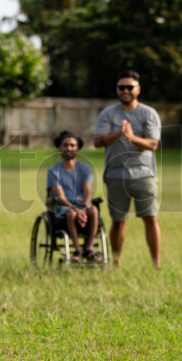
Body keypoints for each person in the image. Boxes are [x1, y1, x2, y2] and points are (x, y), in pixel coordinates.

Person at [93, 70, 162, 268]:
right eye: (121, 87)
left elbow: (153, 144)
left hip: (144, 175)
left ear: (138, 89)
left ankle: (156, 263)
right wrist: (117, 135)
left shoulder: (148, 114)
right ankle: (116, 261)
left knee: (150, 218)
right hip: (115, 175)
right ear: (117, 90)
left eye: (129, 87)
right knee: (118, 221)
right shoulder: (108, 114)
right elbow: (97, 141)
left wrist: (132, 138)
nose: (125, 91)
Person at [47, 131, 100, 262]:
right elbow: (61, 197)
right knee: (71, 214)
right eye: (65, 145)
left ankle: (89, 248)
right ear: (59, 148)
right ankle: (77, 250)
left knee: (94, 210)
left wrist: (84, 207)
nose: (69, 148)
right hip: (64, 207)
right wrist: (76, 210)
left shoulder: (85, 169)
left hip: (82, 205)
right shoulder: (54, 171)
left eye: (72, 145)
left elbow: (87, 192)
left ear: (77, 148)